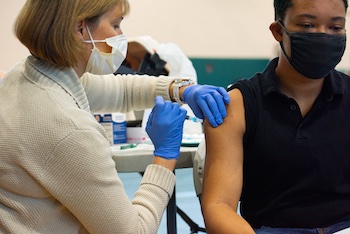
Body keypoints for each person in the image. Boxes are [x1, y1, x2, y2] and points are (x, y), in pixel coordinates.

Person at [0, 0, 230, 233]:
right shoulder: (68, 129)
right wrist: (164, 157)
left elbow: (120, 90)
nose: (121, 35)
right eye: (116, 24)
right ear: (81, 29)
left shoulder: (27, 75)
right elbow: (133, 231)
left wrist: (180, 89)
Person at [201, 0, 350, 233]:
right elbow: (218, 206)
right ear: (278, 31)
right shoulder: (237, 105)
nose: (323, 35)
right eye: (308, 25)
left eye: (335, 28)